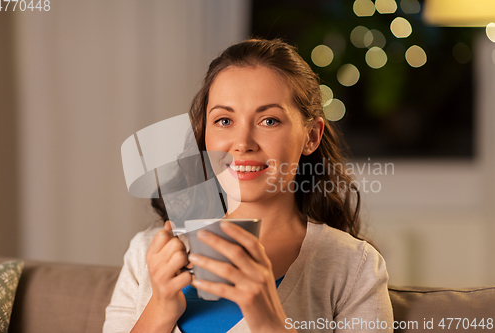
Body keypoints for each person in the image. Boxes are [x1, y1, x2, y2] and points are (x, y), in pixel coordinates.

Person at [103, 38, 393, 333]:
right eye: (224, 121)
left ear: (311, 136)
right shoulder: (146, 254)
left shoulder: (354, 266)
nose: (242, 144)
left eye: (269, 121)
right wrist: (160, 309)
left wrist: (268, 318)